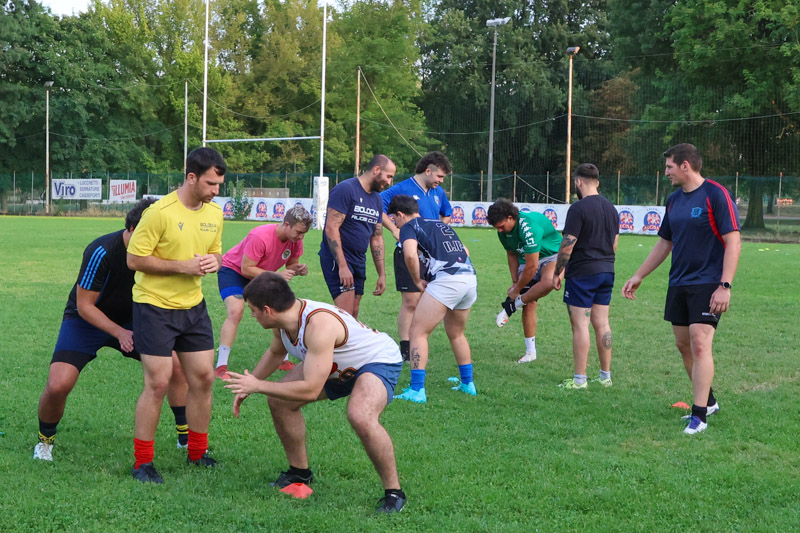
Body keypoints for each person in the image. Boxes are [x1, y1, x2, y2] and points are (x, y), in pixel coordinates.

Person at [223, 272, 406, 513]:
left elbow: (310, 389)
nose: (252, 315)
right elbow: (276, 353)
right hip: (336, 365)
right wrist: (252, 382)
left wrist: (258, 386)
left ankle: (394, 493)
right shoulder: (283, 321)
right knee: (279, 400)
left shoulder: (318, 325)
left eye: (253, 310)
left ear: (267, 310)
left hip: (375, 360)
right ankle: (300, 474)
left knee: (361, 415)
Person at [33, 199, 190, 462]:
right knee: (58, 384)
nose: (156, 241)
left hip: (136, 320)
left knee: (176, 365)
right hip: (86, 320)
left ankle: (185, 438)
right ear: (131, 228)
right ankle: (45, 441)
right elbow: (84, 306)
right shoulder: (102, 251)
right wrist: (119, 332)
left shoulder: (160, 253)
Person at [622, 143, 740, 435]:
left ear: (686, 165)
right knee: (683, 344)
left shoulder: (716, 194)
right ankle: (709, 401)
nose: (666, 173)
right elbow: (665, 242)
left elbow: (733, 240)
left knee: (700, 343)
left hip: (708, 282)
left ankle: (698, 416)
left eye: (670, 167)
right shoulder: (674, 200)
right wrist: (639, 275)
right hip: (679, 283)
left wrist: (724, 285)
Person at [126, 147, 226, 483]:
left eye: (219, 185)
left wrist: (216, 262)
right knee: (158, 383)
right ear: (191, 177)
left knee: (204, 378)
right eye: (211, 184)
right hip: (154, 307)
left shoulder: (215, 213)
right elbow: (134, 259)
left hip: (193, 307)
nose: (216, 191)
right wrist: (180, 266)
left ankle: (197, 453)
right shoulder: (159, 213)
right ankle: (143, 463)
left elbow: (215, 252)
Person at [387, 195, 477, 404]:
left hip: (448, 281)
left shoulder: (409, 227)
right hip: (469, 279)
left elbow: (409, 255)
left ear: (400, 214)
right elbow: (465, 250)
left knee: (417, 332)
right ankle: (468, 383)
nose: (394, 223)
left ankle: (417, 390)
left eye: (394, 219)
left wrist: (417, 280)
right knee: (456, 333)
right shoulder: (438, 223)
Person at [214, 206, 313, 379]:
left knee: (279, 310)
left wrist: (298, 269)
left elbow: (291, 264)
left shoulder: (296, 240)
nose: (301, 237)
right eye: (298, 232)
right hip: (234, 271)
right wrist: (275, 275)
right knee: (236, 311)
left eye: (304, 233)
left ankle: (283, 359)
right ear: (287, 224)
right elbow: (246, 268)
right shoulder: (260, 236)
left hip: (262, 274)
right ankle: (221, 366)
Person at [550, 163, 619, 389]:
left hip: (583, 273)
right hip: (606, 270)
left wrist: (558, 271)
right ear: (597, 182)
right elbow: (614, 244)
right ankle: (605, 376)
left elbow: (568, 243)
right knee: (602, 323)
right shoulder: (611, 209)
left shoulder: (578, 209)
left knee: (580, 325)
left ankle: (580, 380)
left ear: (578, 182)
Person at [380, 152, 453, 362]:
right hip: (408, 251)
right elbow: (379, 206)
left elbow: (446, 213)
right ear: (428, 170)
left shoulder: (437, 192)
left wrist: (438, 230)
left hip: (431, 255)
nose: (441, 181)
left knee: (426, 300)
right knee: (411, 301)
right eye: (439, 176)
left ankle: (418, 341)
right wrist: (395, 229)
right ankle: (405, 347)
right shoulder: (402, 188)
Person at [318, 154, 395, 318]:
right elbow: (331, 228)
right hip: (338, 260)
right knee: (345, 316)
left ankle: (340, 343)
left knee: (353, 314)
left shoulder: (376, 200)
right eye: (388, 176)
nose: (389, 182)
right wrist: (343, 266)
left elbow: (377, 236)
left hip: (359, 260)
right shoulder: (346, 189)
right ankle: (323, 340)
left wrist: (382, 274)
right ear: (376, 170)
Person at [487, 199, 562, 363]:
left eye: (501, 226)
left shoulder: (528, 228)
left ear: (510, 217)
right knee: (530, 303)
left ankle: (513, 305)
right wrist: (515, 283)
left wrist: (516, 293)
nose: (499, 230)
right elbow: (512, 254)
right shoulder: (503, 233)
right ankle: (530, 352)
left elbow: (532, 266)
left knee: (549, 282)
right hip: (525, 259)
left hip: (552, 255)